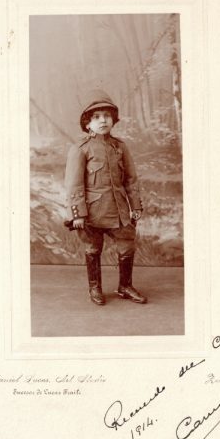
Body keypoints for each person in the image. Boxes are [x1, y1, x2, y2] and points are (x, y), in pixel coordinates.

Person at [64, 89, 147, 306]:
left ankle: (125, 286)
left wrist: (135, 206)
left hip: (119, 211)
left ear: (113, 120)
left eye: (107, 116)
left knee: (127, 245)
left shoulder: (120, 147)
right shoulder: (80, 149)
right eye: (97, 117)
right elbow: (74, 185)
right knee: (93, 249)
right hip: (92, 213)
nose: (103, 121)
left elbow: (131, 179)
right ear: (87, 124)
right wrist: (78, 214)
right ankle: (95, 288)